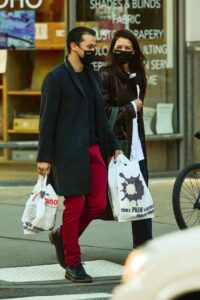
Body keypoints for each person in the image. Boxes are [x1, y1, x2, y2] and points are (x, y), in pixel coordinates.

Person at [36, 26, 122, 283]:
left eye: (95, 46)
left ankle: (63, 237)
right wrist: (44, 156)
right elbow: (47, 120)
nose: (94, 51)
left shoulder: (93, 77)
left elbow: (101, 117)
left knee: (98, 204)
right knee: (74, 205)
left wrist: (112, 144)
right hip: (67, 153)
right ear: (74, 46)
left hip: (94, 149)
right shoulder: (56, 78)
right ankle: (73, 262)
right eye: (89, 46)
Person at [99, 29, 152, 248]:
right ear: (112, 50)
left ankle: (144, 250)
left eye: (127, 48)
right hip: (118, 146)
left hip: (137, 146)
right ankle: (65, 236)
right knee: (101, 202)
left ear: (134, 51)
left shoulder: (138, 75)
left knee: (142, 200)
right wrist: (131, 107)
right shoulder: (105, 74)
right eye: (118, 48)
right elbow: (103, 111)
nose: (122, 52)